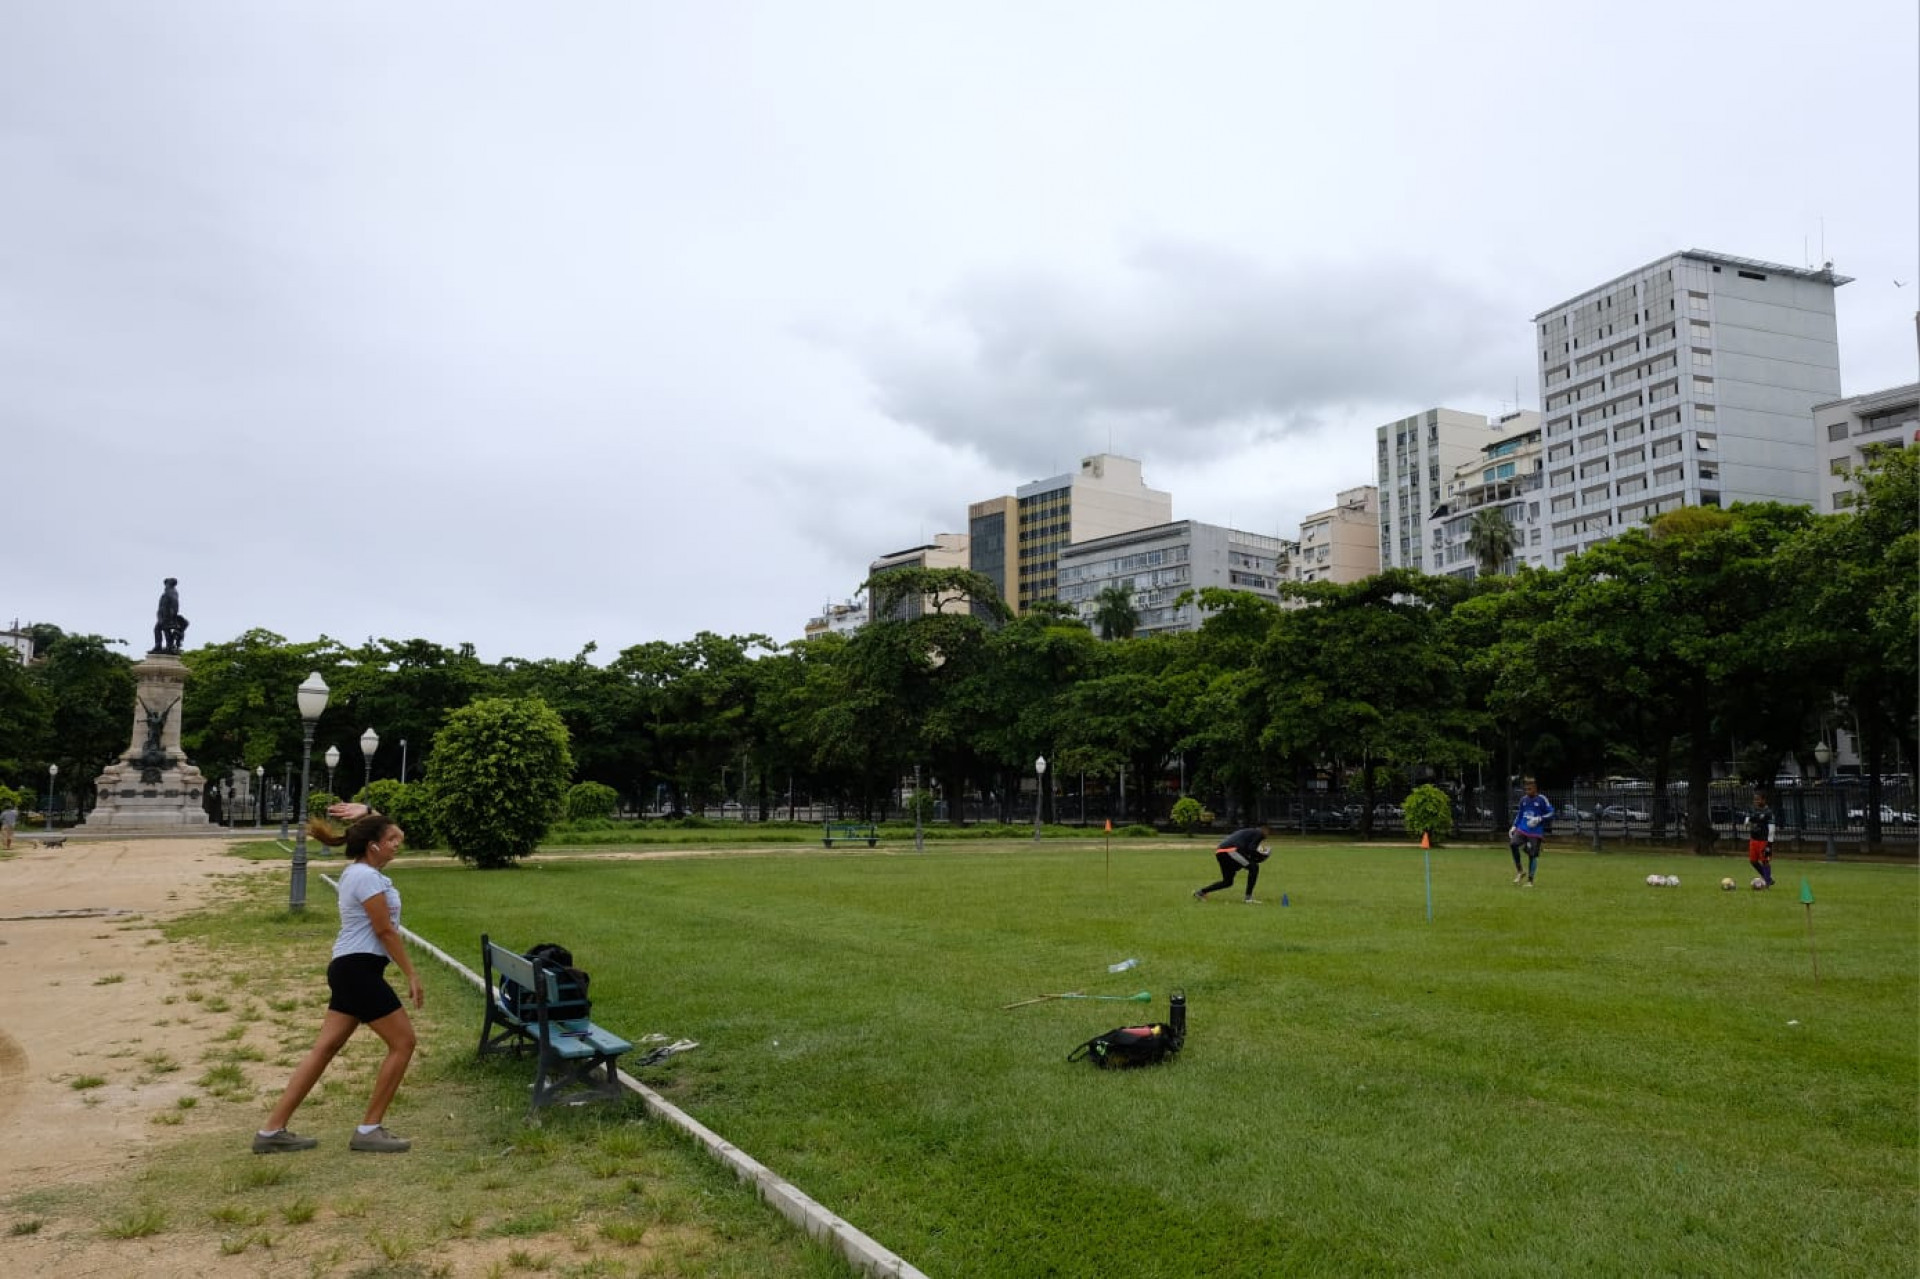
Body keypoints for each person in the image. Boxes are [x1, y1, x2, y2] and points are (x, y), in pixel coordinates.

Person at [254, 802, 422, 1154]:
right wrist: (411, 974)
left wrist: (369, 810)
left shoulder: (362, 872)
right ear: (373, 846)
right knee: (403, 1042)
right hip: (358, 970)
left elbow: (380, 830)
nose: (398, 845)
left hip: (351, 969)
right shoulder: (365, 876)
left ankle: (271, 1132)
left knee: (325, 1049)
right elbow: (385, 931)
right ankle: (369, 1129)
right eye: (392, 840)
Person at [1193, 823, 1271, 903]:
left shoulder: (1248, 832)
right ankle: (1248, 898)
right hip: (1231, 850)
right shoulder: (1259, 833)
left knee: (1227, 882)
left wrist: (1255, 857)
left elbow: (1247, 850)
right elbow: (1251, 849)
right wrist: (1262, 855)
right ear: (1264, 829)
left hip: (1220, 852)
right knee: (1254, 867)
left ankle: (1201, 892)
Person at [1509, 778, 1555, 887]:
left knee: (1532, 855)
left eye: (1529, 789)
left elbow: (1552, 813)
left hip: (1535, 832)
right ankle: (1520, 871)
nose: (1527, 791)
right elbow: (1520, 814)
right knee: (1513, 844)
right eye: (1526, 789)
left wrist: (1539, 819)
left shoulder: (1542, 799)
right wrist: (1514, 826)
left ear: (1535, 789)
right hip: (1522, 829)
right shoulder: (1523, 800)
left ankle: (1530, 881)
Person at [1746, 791, 1775, 889]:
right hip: (1753, 839)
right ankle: (1768, 878)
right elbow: (1746, 823)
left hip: (1764, 841)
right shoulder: (1752, 810)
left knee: (1765, 861)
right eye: (1755, 799)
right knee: (1753, 861)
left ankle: (1767, 883)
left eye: (1758, 799)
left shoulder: (1768, 812)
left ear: (1764, 800)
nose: (1756, 801)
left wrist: (1769, 844)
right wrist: (1749, 821)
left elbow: (1772, 829)